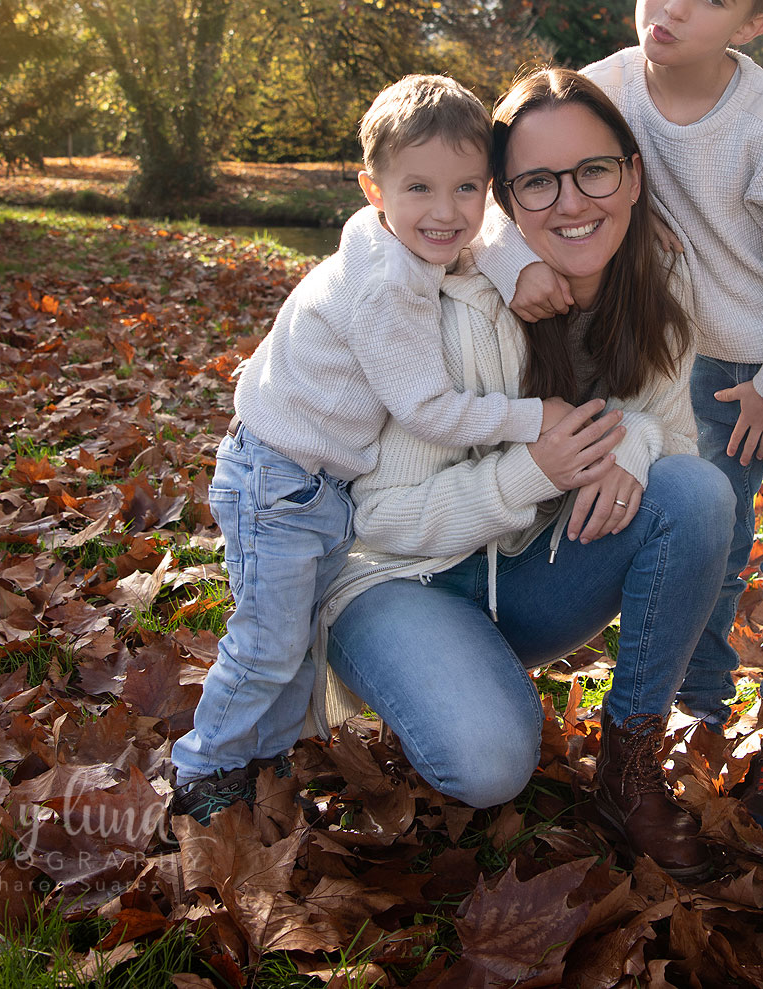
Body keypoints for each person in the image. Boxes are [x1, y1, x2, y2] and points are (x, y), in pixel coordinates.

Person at [475, 0, 763, 847]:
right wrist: (514, 261)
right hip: (699, 353)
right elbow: (504, 177)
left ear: (752, 23)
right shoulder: (604, 85)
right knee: (712, 531)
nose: (676, 7)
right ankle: (700, 712)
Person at [314, 69, 736, 882]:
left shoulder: (657, 281)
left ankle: (628, 768)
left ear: (632, 174)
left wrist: (635, 438)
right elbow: (380, 521)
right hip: (393, 579)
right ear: (503, 199)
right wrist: (533, 469)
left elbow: (673, 450)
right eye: (538, 182)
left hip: (523, 576)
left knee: (697, 494)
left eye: (594, 170)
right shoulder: (441, 296)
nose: (572, 202)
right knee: (487, 763)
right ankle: (435, 675)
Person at [170, 75, 568, 824]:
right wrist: (530, 417)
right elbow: (428, 409)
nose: (446, 212)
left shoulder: (392, 235)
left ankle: (269, 762)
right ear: (373, 186)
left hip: (313, 480)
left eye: (467, 188)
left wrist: (515, 264)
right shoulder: (389, 285)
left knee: (296, 638)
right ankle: (203, 770)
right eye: (420, 187)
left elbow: (480, 238)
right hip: (279, 480)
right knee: (268, 643)